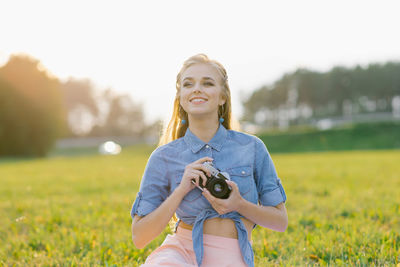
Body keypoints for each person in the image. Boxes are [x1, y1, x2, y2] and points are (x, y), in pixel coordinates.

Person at [131, 54, 288, 267]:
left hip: (231, 255)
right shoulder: (163, 156)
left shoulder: (252, 148)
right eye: (188, 84)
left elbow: (280, 221)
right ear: (180, 97)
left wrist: (239, 204)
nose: (196, 89)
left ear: (223, 97)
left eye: (207, 83)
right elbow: (140, 237)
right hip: (180, 252)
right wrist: (181, 190)